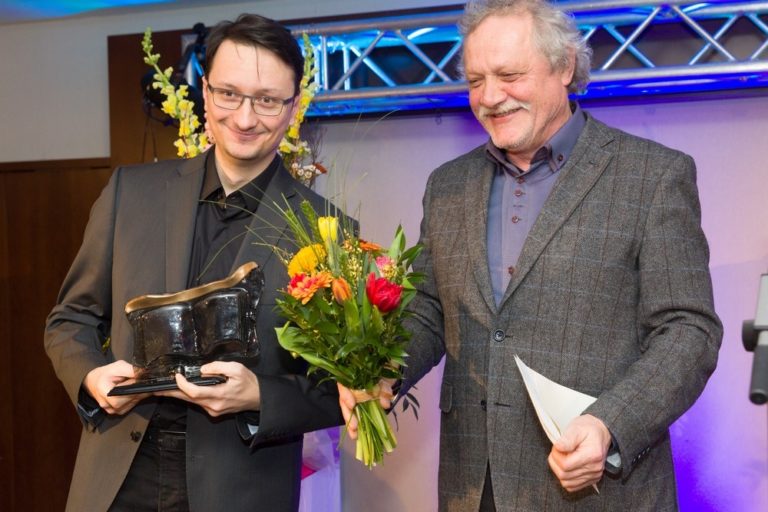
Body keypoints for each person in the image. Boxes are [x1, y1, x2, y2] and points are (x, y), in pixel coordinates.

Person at [339, 0, 722, 510]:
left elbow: (688, 330)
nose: (490, 97)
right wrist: (385, 370)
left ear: (564, 66)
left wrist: (609, 424)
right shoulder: (447, 184)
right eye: (475, 80)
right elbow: (431, 309)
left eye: (509, 75)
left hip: (597, 489)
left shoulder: (652, 176)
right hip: (473, 488)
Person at [45, 14, 344, 512]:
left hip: (242, 486)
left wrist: (259, 395)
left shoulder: (325, 230)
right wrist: (91, 376)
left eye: (267, 100)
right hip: (120, 474)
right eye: (229, 93)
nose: (245, 118)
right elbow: (69, 320)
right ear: (205, 93)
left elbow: (344, 388)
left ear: (293, 107)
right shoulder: (130, 193)